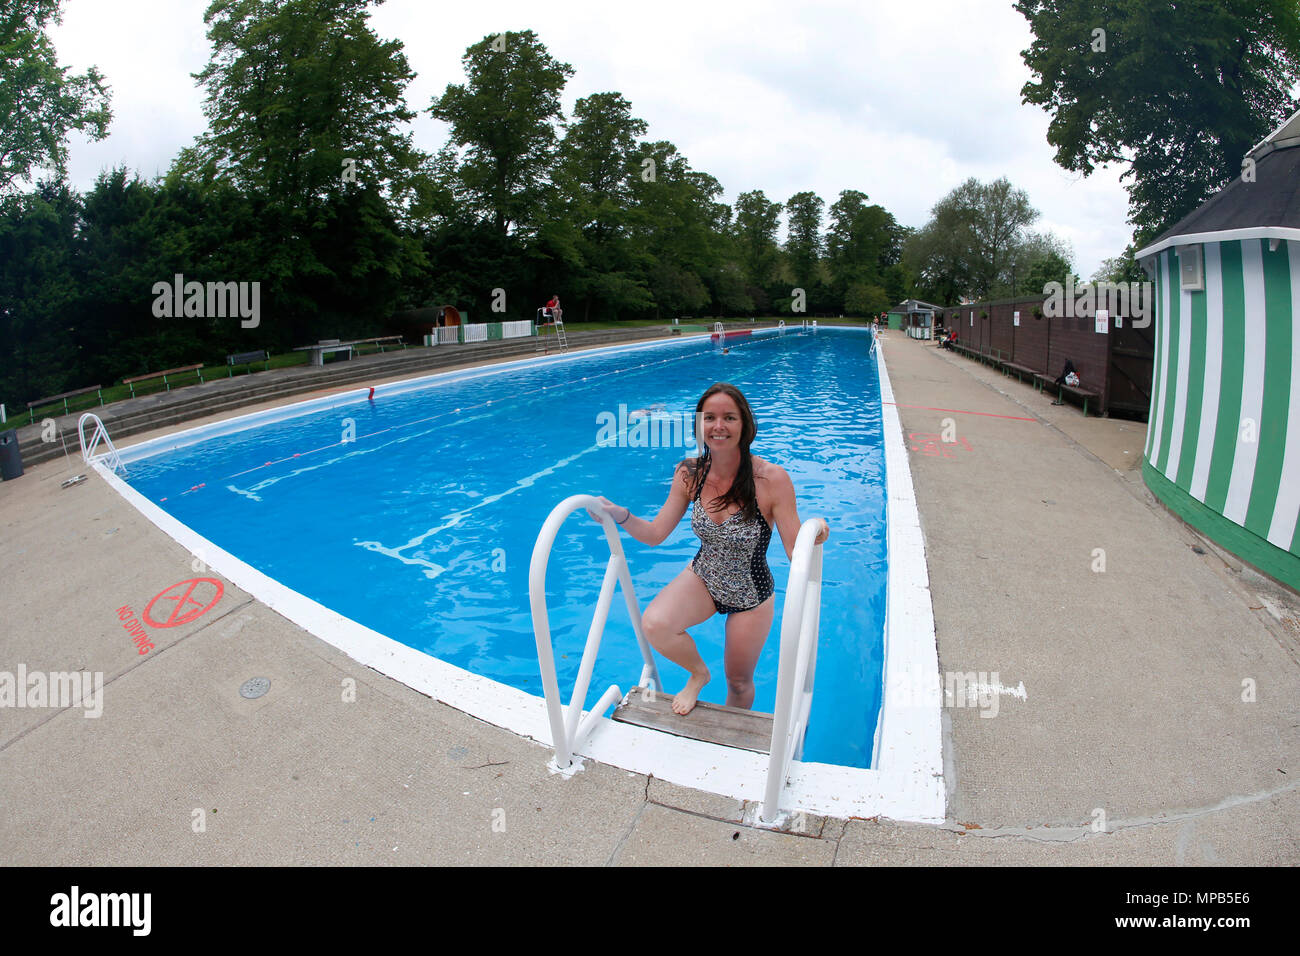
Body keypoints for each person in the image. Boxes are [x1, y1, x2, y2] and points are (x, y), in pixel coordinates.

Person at [586, 383, 830, 715]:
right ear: (699, 425)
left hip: (750, 594)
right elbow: (656, 534)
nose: (718, 426)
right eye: (710, 418)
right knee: (656, 624)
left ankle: (732, 741)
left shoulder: (771, 480)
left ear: (744, 424)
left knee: (740, 682)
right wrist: (621, 516)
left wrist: (812, 533)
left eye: (729, 417)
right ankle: (698, 673)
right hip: (703, 577)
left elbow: (793, 551)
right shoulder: (690, 473)